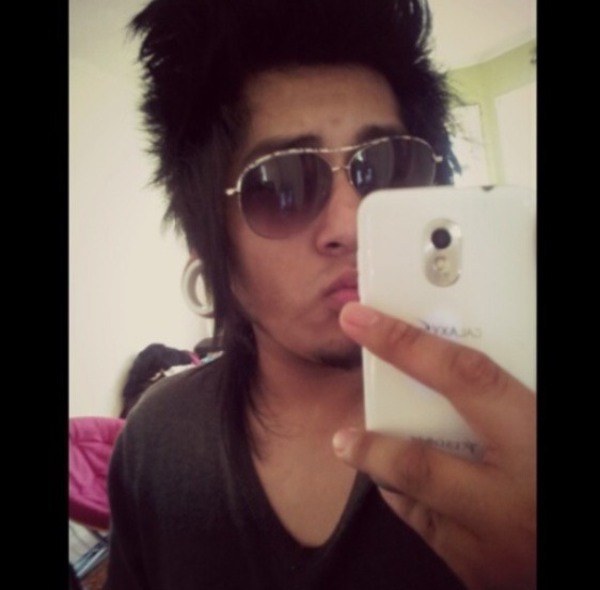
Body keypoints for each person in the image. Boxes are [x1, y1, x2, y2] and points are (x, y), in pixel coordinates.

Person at [104, 0, 536, 588]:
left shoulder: (518, 435)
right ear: (211, 242)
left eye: (386, 167)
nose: (350, 226)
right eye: (280, 185)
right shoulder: (154, 446)